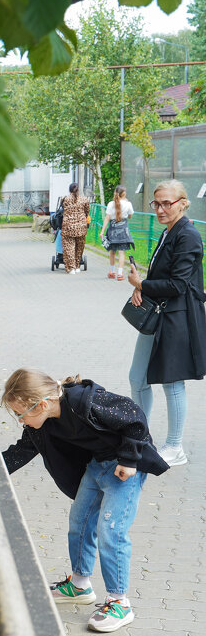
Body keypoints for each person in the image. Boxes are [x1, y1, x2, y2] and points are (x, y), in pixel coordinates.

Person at [1, 368, 168, 632]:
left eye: (20, 414)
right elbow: (22, 451)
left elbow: (134, 416)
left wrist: (129, 459)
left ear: (42, 404)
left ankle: (119, 602)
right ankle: (79, 585)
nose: (20, 421)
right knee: (79, 522)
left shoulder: (83, 402)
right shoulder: (42, 425)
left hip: (122, 470)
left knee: (110, 530)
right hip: (96, 466)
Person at [128, 179, 206, 466]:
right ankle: (139, 436)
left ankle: (175, 448)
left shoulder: (188, 235)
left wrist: (143, 283)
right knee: (138, 378)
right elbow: (162, 275)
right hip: (159, 315)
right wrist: (142, 286)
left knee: (172, 383)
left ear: (183, 203)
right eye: (156, 203)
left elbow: (178, 284)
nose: (160, 209)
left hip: (178, 318)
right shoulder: (168, 231)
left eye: (166, 203)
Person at [100, 185, 134, 280]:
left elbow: (107, 218)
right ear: (124, 194)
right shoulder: (128, 204)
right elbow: (130, 215)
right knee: (121, 252)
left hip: (112, 230)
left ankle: (111, 272)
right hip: (123, 229)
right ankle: (120, 273)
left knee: (112, 252)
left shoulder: (111, 204)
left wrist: (102, 231)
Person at [61, 183, 90, 274]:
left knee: (69, 247)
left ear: (70, 190)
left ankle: (71, 268)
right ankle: (77, 266)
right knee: (79, 247)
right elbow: (87, 211)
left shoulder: (65, 199)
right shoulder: (84, 199)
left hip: (68, 226)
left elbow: (63, 209)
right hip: (81, 227)